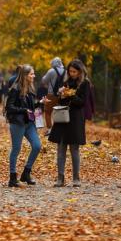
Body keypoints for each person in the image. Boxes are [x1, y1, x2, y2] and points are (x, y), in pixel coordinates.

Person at [48, 59, 91, 187]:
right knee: (61, 147)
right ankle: (60, 178)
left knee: (74, 148)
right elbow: (60, 102)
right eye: (70, 71)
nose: (71, 73)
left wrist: (70, 95)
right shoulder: (66, 82)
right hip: (63, 116)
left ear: (80, 71)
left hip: (76, 118)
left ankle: (76, 178)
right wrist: (61, 95)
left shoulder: (85, 84)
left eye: (74, 71)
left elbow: (82, 102)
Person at [4, 65, 45, 187]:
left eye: (33, 73)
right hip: (18, 123)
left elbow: (31, 107)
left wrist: (40, 103)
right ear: (25, 75)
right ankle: (12, 178)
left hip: (29, 123)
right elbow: (9, 107)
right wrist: (23, 110)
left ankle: (26, 173)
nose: (34, 76)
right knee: (16, 149)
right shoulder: (15, 89)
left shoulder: (31, 89)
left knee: (37, 146)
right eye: (31, 74)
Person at [41, 57, 66, 133]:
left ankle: (49, 129)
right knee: (59, 111)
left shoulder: (51, 71)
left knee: (48, 111)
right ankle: (59, 129)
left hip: (51, 94)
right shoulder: (66, 71)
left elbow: (44, 81)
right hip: (62, 95)